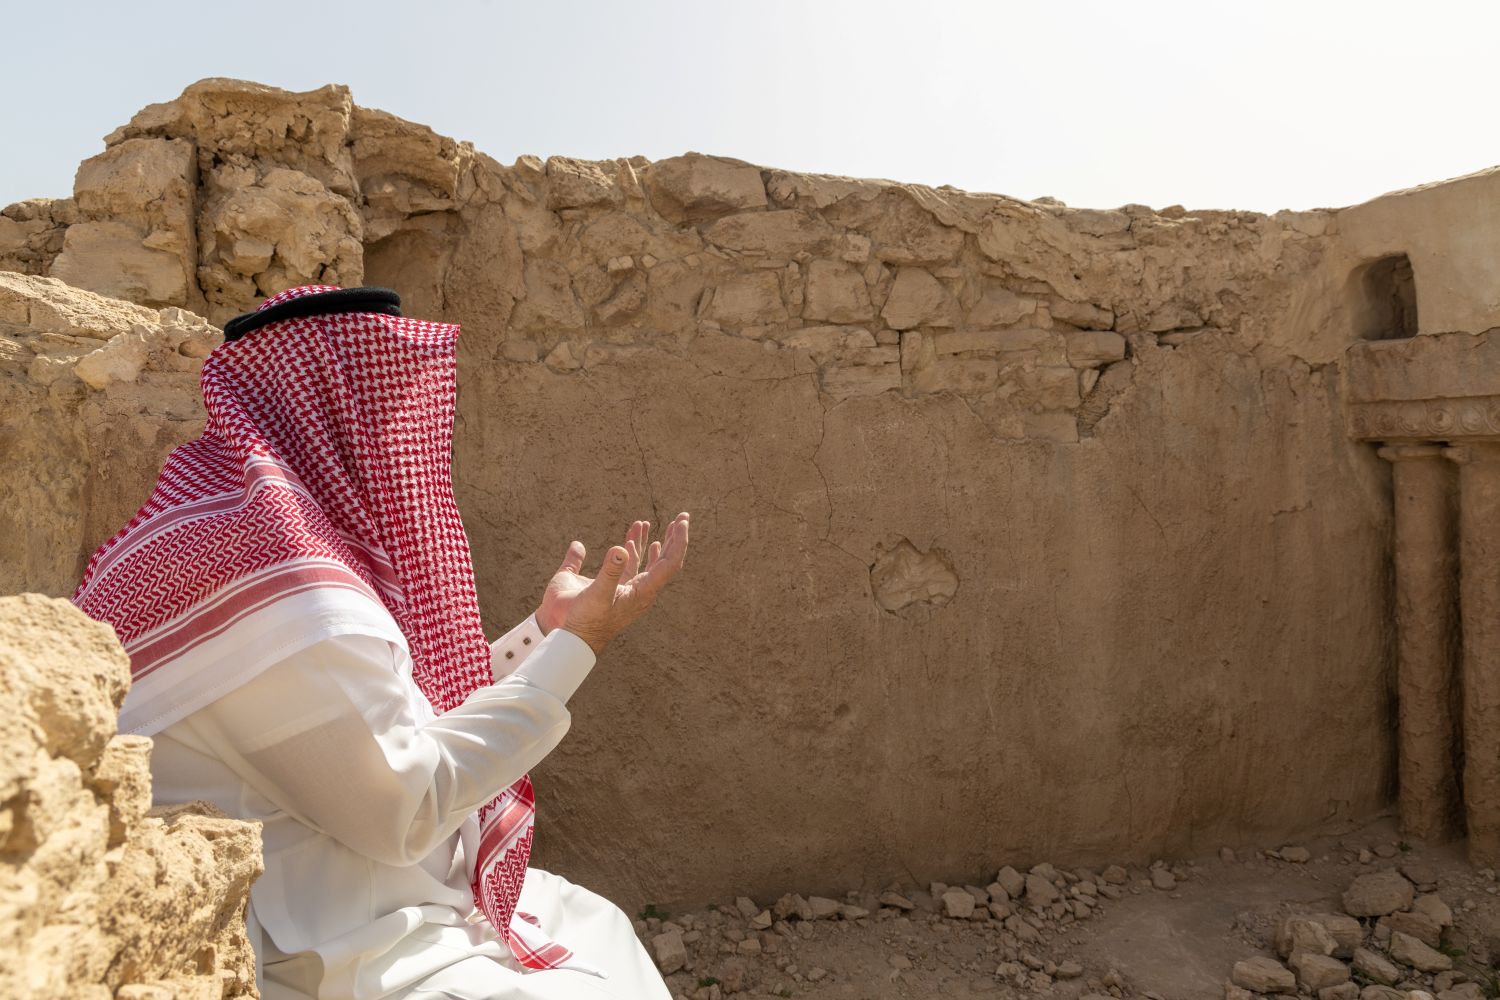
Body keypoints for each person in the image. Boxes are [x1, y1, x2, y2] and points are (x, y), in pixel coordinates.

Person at [73, 285, 689, 1000]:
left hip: (357, 888)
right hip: (322, 943)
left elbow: (382, 713)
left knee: (595, 922)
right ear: (343, 410)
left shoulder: (224, 535)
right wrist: (579, 647)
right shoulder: (278, 583)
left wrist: (545, 634)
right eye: (396, 408)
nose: (417, 439)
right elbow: (408, 808)